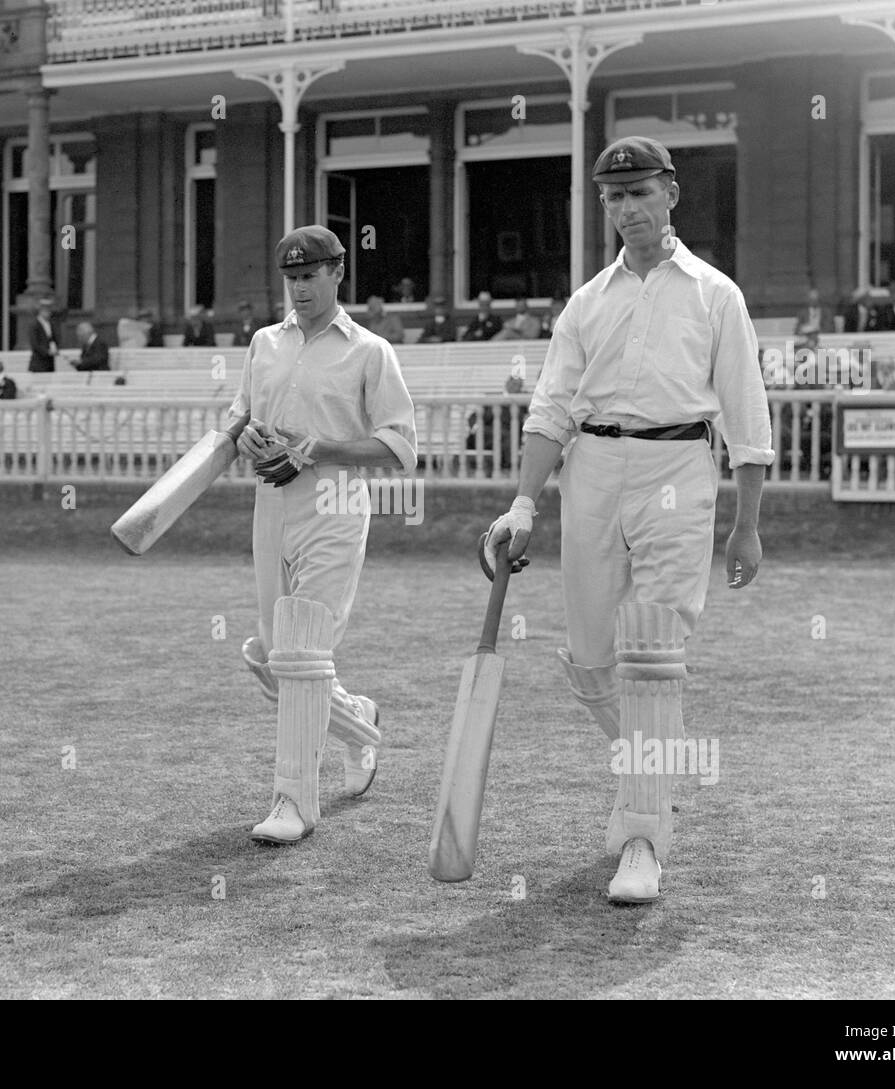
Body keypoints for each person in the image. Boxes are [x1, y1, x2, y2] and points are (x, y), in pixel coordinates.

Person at [485, 136, 772, 905]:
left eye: (640, 192)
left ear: (672, 193)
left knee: (650, 654)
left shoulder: (715, 294)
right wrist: (522, 503)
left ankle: (642, 834)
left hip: (677, 471)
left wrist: (745, 524)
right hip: (592, 473)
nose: (627, 209)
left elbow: (746, 415)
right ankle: (656, 765)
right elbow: (551, 408)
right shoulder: (587, 301)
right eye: (614, 197)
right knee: (588, 661)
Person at [228, 225, 417, 845]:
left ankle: (293, 800)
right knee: (268, 654)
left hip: (335, 504)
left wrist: (322, 448)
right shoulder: (264, 343)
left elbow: (400, 448)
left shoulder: (369, 350)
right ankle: (359, 723)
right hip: (271, 503)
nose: (300, 288)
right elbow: (241, 420)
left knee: (303, 652)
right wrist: (249, 436)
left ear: (338, 274)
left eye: (310, 276)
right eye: (291, 277)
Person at [28, 296, 61, 372]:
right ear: (41, 310)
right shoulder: (34, 324)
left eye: (49, 310)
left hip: (49, 363)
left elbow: (53, 339)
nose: (49, 312)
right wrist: (47, 352)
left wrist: (55, 348)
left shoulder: (51, 324)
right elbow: (35, 343)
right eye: (46, 310)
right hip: (38, 363)